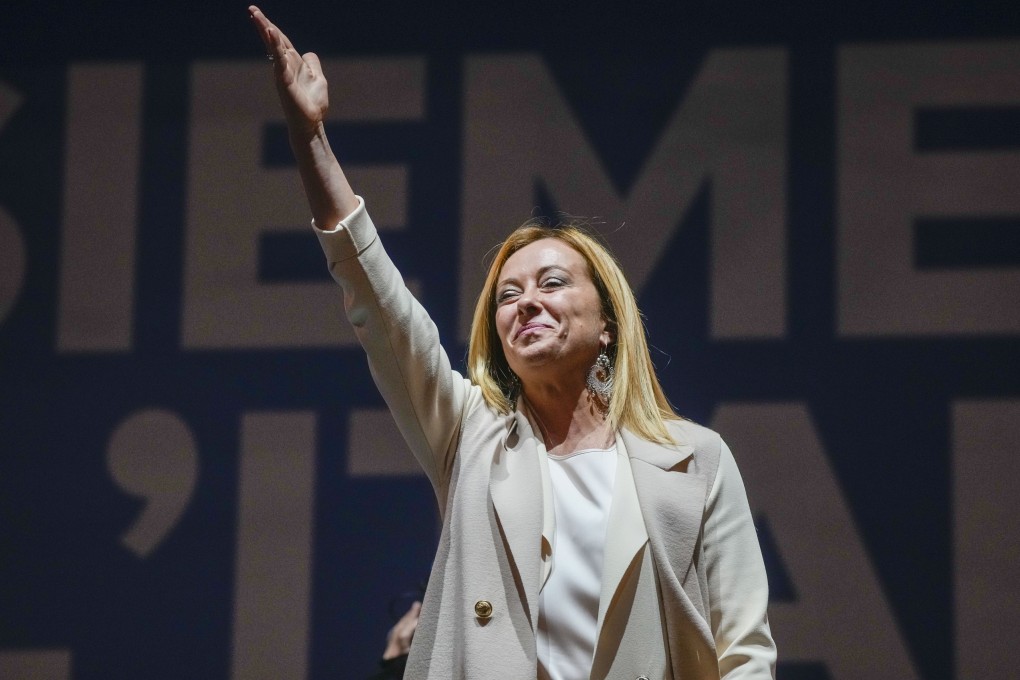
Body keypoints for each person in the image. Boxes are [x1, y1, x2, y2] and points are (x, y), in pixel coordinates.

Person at [249, 6, 777, 678]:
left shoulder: (695, 461)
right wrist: (310, 138)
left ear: (608, 318)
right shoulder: (471, 436)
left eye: (551, 282)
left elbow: (745, 654)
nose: (525, 300)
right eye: (506, 294)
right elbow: (382, 310)